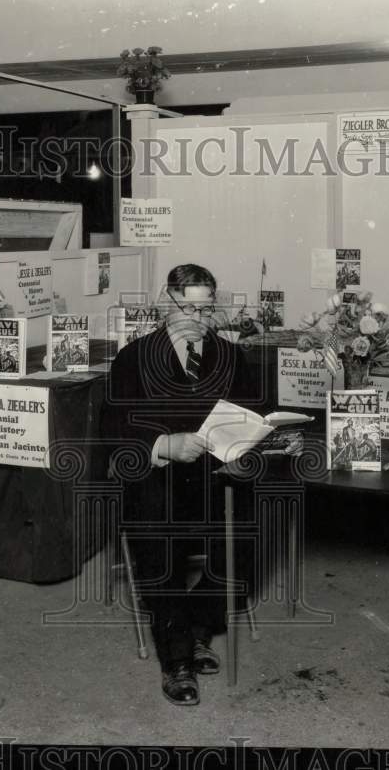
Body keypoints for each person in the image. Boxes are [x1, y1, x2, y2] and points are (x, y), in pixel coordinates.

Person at [100, 263, 259, 706]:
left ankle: (199, 627)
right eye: (188, 307)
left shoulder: (231, 356)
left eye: (206, 309)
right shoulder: (134, 357)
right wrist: (165, 444)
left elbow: (250, 414)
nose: (199, 319)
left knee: (248, 522)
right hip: (158, 475)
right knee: (157, 524)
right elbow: (114, 429)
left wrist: (251, 438)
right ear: (165, 304)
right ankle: (177, 659)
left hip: (212, 474)